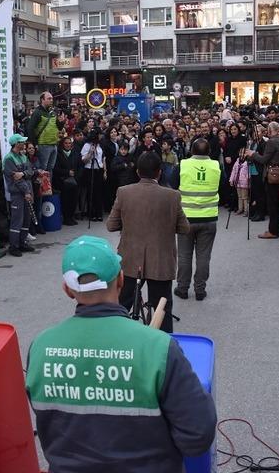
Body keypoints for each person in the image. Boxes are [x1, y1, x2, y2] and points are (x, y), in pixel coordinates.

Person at [25, 235, 216, 472]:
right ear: (121, 280)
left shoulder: (41, 347)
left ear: (67, 289)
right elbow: (198, 435)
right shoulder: (158, 347)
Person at [108, 152, 190, 333]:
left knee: (120, 305)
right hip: (160, 261)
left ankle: (113, 340)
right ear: (159, 172)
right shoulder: (172, 196)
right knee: (162, 309)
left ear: (137, 171)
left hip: (129, 260)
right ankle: (164, 349)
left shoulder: (124, 192)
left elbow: (111, 225)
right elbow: (184, 228)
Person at [175, 139, 220, 302]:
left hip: (186, 218)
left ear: (191, 150)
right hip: (208, 218)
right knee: (203, 256)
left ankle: (182, 289)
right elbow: (221, 185)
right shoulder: (216, 166)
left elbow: (173, 185)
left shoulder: (183, 165)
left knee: (184, 256)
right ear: (209, 151)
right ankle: (200, 290)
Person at [3, 134, 36, 257]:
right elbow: (16, 179)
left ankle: (22, 243)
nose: (24, 143)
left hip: (27, 192)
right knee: (17, 221)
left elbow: (30, 171)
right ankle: (14, 246)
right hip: (18, 194)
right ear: (16, 144)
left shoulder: (23, 156)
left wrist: (22, 173)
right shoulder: (9, 159)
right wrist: (26, 191)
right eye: (22, 142)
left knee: (26, 219)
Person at [254, 124, 279, 239]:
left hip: (272, 175)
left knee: (272, 204)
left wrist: (253, 154)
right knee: (277, 203)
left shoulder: (271, 142)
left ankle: (273, 230)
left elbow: (264, 160)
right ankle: (276, 228)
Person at [27, 92, 60, 173]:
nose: (51, 100)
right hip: (43, 145)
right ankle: (42, 186)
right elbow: (30, 129)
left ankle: (48, 186)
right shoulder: (37, 112)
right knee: (43, 169)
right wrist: (35, 144)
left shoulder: (52, 112)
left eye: (52, 98)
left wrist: (61, 122)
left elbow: (58, 127)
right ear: (42, 100)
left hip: (54, 144)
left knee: (50, 168)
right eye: (49, 98)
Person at [52, 136, 79, 226]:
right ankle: (66, 218)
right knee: (66, 200)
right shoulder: (58, 154)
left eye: (69, 143)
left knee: (73, 200)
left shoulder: (75, 153)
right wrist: (67, 172)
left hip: (74, 181)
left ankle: (71, 216)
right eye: (66, 143)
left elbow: (79, 166)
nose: (68, 145)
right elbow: (55, 169)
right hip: (63, 181)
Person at [81, 129, 106, 222]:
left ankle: (99, 213)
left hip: (98, 169)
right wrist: (90, 153)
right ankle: (91, 213)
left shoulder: (100, 145)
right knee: (91, 192)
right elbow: (84, 160)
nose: (101, 137)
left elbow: (103, 158)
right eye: (99, 135)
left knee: (98, 192)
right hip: (89, 170)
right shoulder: (87, 145)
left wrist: (105, 171)